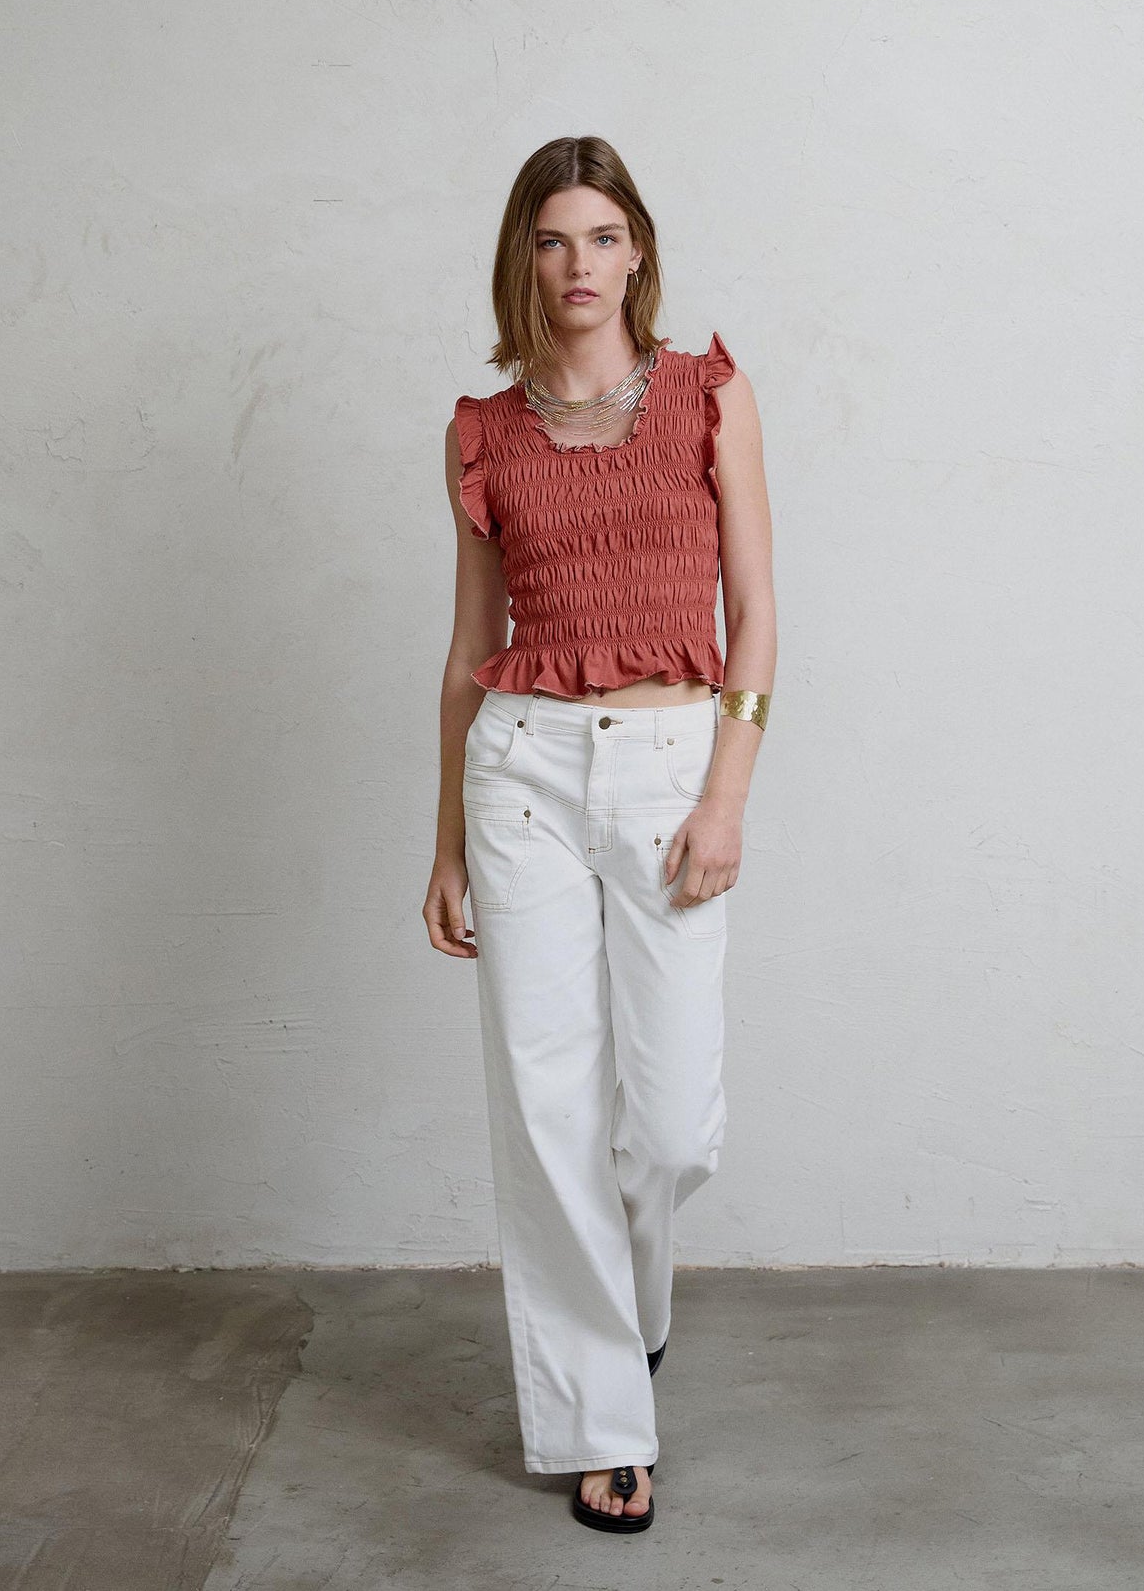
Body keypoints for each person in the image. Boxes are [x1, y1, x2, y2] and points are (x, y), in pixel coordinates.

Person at [424, 135, 776, 1534]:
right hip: (521, 775)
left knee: (672, 1123)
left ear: (640, 253)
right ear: (524, 258)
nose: (580, 264)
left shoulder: (708, 394)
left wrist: (727, 795)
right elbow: (468, 651)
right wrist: (445, 842)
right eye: (553, 238)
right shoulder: (481, 431)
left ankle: (631, 1311)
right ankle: (602, 1421)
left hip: (674, 767)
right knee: (549, 1106)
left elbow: (756, 613)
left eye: (604, 236)